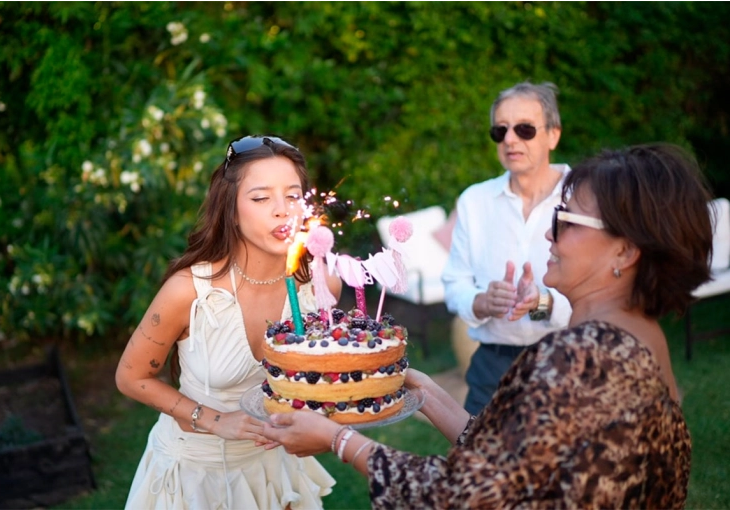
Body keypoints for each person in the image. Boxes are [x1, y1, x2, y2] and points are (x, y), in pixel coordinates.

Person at [261, 143, 712, 509]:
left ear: (625, 252)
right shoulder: (641, 339)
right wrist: (419, 392)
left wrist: (338, 439)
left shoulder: (586, 356)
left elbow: (468, 493)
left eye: (566, 219)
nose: (549, 235)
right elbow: (518, 459)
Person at [115, 135, 341, 509]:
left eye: (292, 195)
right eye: (261, 198)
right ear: (231, 210)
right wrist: (213, 419)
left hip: (276, 469)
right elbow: (131, 377)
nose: (282, 210)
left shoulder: (320, 282)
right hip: (195, 476)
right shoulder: (188, 291)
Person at [442, 81, 574, 415]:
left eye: (525, 129)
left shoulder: (583, 198)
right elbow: (454, 284)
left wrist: (541, 302)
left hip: (566, 356)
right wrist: (482, 302)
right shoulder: (475, 200)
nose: (511, 139)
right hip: (492, 361)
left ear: (553, 135)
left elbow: (604, 291)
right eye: (500, 131)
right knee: (475, 461)